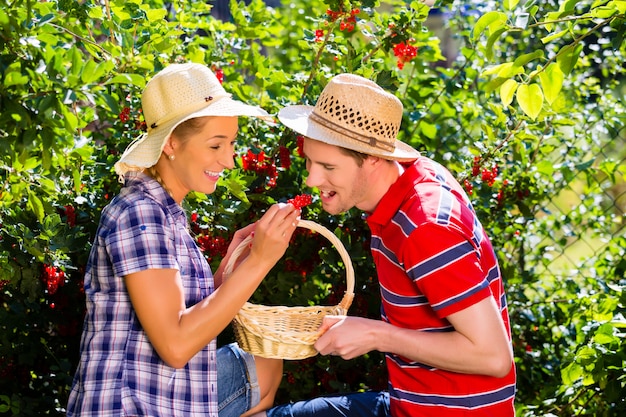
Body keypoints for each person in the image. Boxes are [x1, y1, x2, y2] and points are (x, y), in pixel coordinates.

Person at [258, 74, 517, 416]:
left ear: (374, 158)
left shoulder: (424, 227)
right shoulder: (410, 179)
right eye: (310, 160)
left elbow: (493, 357)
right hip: (407, 404)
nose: (312, 179)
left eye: (328, 166)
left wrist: (377, 335)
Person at [66, 63, 300, 417]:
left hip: (164, 403)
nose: (229, 159)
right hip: (130, 408)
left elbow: (188, 315)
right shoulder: (140, 214)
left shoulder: (165, 212)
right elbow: (176, 345)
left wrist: (234, 265)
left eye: (232, 143)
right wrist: (260, 261)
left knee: (266, 365)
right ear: (172, 143)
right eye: (215, 145)